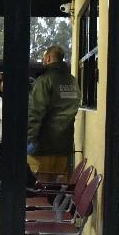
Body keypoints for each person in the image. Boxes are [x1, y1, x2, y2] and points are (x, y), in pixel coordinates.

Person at [27, 44, 80, 176]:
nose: (43, 61)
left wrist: (29, 140)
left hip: (43, 146)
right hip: (65, 145)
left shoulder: (44, 80)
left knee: (41, 186)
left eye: (44, 58)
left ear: (49, 58)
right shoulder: (73, 81)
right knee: (59, 189)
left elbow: (35, 113)